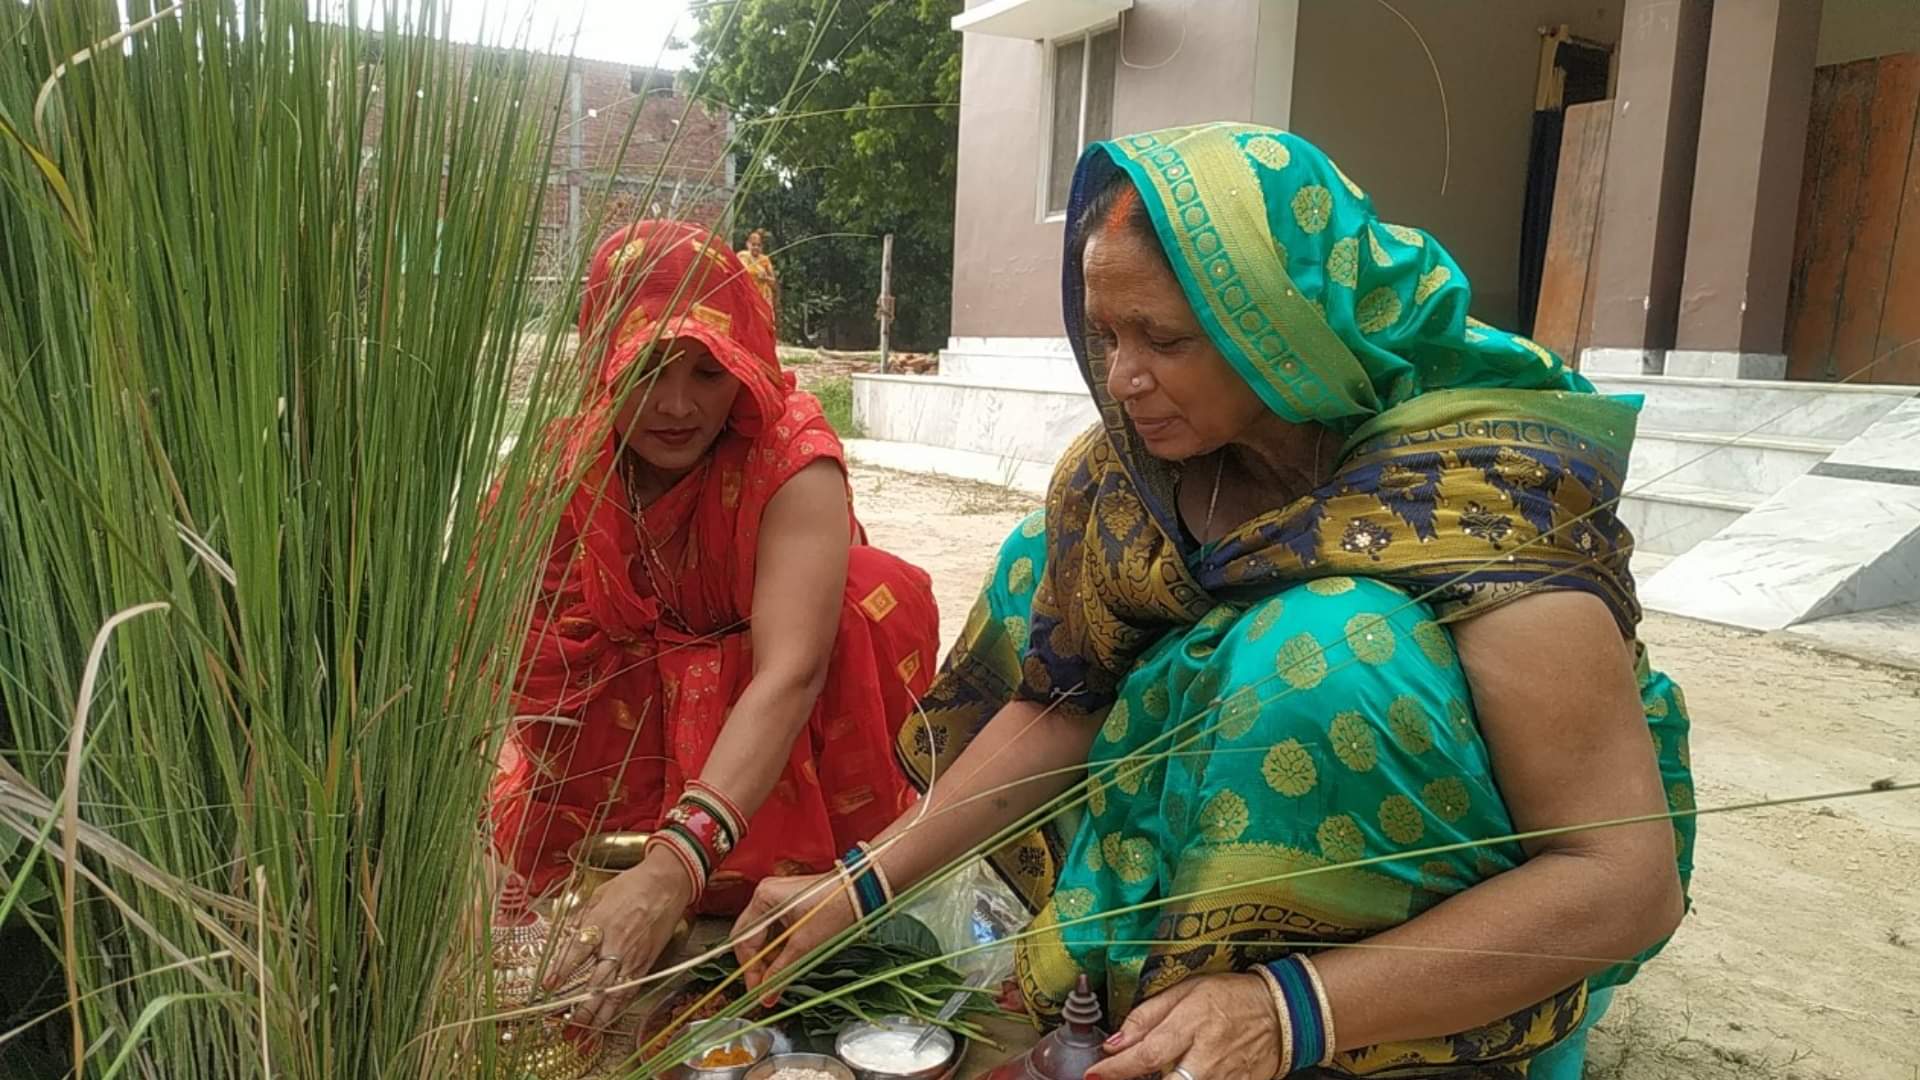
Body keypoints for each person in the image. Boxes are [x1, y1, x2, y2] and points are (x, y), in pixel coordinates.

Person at [733, 125, 1696, 1078]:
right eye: (1108, 334)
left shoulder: (1476, 494)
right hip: (1249, 823)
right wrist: (858, 889)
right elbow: (1064, 703)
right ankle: (1151, 973)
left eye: (1165, 339)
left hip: (1472, 904)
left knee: (1320, 649)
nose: (1121, 378)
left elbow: (1622, 883)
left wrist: (1289, 1011)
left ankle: (1352, 1022)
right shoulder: (1129, 475)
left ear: (1286, 326)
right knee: (1046, 559)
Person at [487, 220, 939, 1033]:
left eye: (709, 371)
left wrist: (671, 870)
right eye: (648, 368)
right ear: (601, 363)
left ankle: (766, 876)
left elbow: (790, 672)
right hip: (621, 754)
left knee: (858, 598)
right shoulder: (561, 472)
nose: (677, 404)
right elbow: (492, 658)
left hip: (779, 742)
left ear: (747, 367)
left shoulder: (790, 457)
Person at [740, 228, 780, 320]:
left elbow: (773, 282)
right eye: (753, 245)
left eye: (759, 245)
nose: (756, 247)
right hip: (748, 296)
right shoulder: (743, 256)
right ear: (748, 244)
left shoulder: (765, 260)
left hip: (763, 297)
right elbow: (742, 272)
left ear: (762, 247)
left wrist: (765, 278)